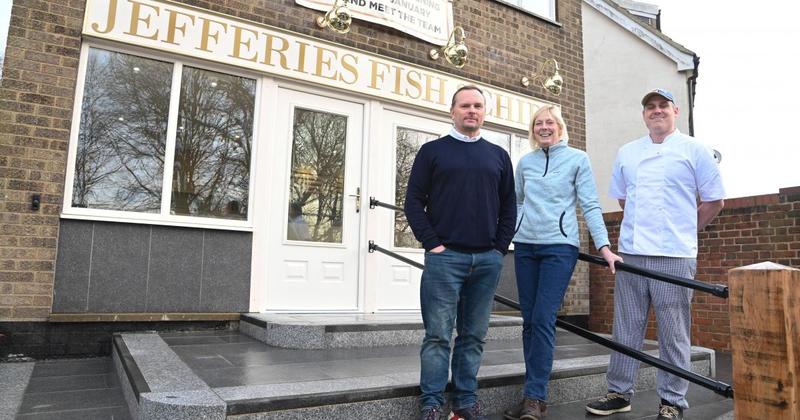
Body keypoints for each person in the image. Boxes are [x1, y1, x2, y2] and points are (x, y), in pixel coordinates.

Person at [585, 89, 725, 420]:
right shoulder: (628, 152)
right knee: (626, 327)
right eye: (650, 107)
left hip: (674, 255)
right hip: (632, 254)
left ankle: (672, 400)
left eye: (663, 106)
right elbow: (623, 200)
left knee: (673, 331)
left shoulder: (695, 150)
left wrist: (687, 231)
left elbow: (715, 200)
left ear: (675, 110)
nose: (657, 111)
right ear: (644, 113)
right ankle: (619, 392)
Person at [503, 105, 622, 420]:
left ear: (560, 127)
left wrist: (605, 246)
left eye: (549, 122)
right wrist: (511, 233)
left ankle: (535, 398)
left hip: (559, 247)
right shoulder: (525, 162)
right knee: (529, 322)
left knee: (543, 318)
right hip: (526, 246)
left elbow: (590, 204)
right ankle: (532, 394)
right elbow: (516, 200)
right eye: (538, 123)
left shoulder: (577, 159)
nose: (544, 127)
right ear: (533, 129)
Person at [405, 85, 516, 420]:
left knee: (473, 336)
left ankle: (465, 401)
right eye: (465, 105)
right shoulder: (432, 151)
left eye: (478, 106)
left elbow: (509, 206)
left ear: (484, 112)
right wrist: (433, 244)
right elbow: (413, 202)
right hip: (445, 258)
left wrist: (498, 249)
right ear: (452, 111)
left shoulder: (498, 155)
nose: (472, 111)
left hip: (486, 261)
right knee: (438, 336)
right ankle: (432, 403)